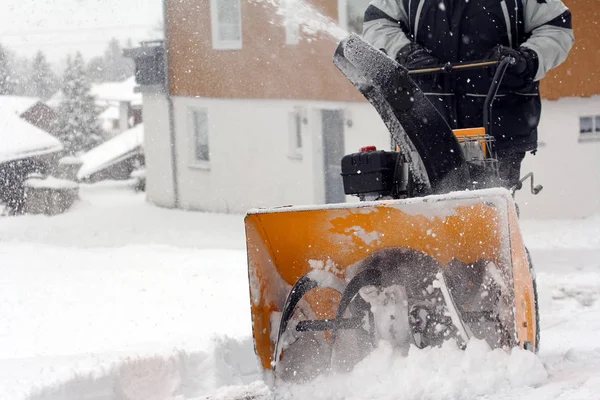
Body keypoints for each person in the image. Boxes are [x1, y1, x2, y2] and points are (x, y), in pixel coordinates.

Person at [362, 0, 574, 189]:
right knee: (428, 209)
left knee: (490, 206)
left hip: (500, 123)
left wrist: (526, 59)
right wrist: (405, 53)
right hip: (427, 124)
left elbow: (557, 26)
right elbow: (377, 21)